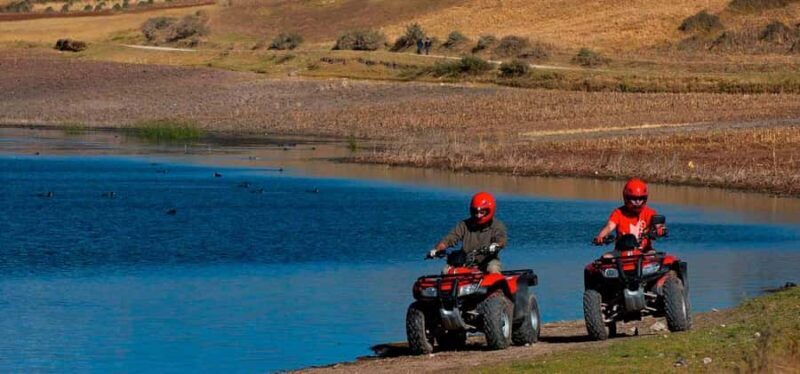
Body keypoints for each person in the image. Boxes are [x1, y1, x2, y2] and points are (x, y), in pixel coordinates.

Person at [428, 192, 507, 273]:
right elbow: (450, 238)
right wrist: (436, 250)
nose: (478, 215)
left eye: (482, 212)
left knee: (493, 268)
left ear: (489, 211)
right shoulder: (464, 225)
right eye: (475, 212)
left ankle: (498, 285)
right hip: (466, 261)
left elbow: (501, 239)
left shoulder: (497, 225)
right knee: (446, 271)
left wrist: (495, 245)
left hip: (488, 261)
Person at [593, 178, 664, 252]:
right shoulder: (618, 213)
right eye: (634, 199)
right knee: (606, 258)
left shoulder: (650, 213)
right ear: (626, 198)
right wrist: (601, 236)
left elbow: (658, 225)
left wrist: (660, 229)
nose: (637, 202)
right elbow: (609, 226)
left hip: (645, 251)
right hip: (621, 252)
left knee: (656, 257)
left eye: (641, 199)